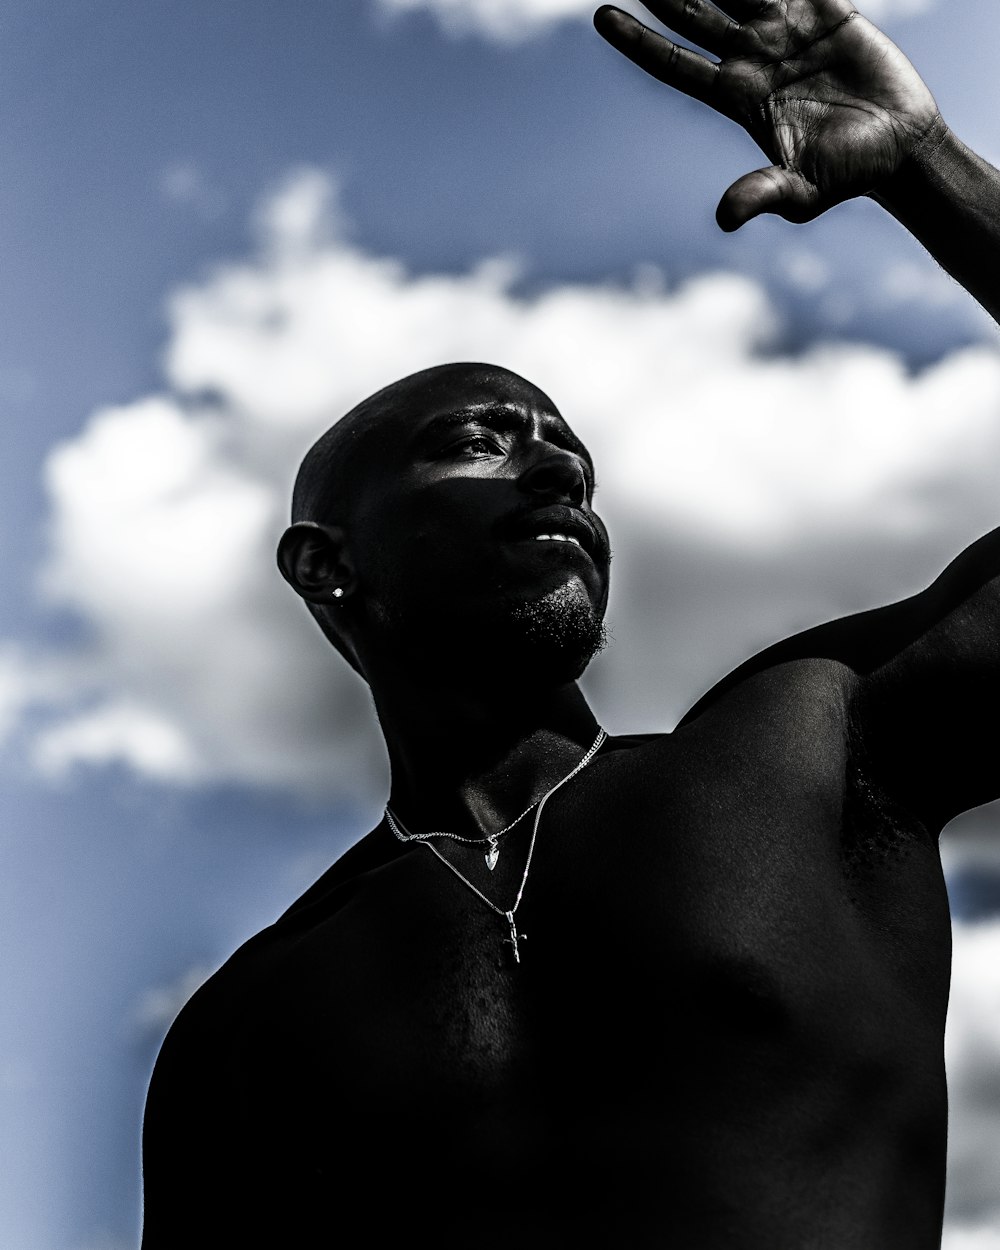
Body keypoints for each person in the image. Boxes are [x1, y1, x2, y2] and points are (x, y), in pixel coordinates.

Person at [140, 2, 1000, 1246]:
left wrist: (927, 171)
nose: (558, 479)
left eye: (576, 463)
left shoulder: (804, 755)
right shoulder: (250, 1023)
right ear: (328, 566)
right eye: (480, 442)